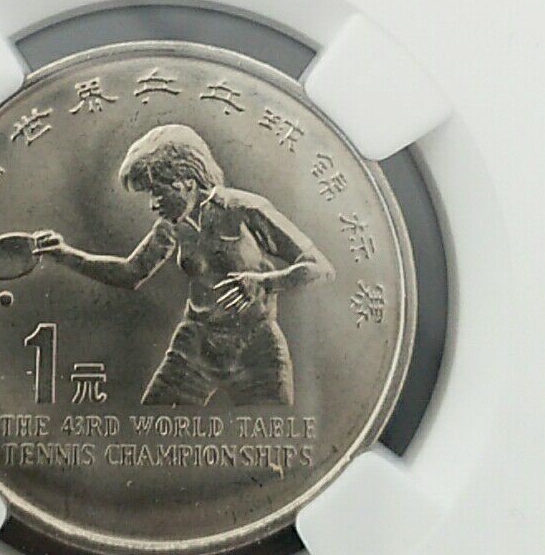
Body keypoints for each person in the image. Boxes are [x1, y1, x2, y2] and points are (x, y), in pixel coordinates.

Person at [32, 123, 332, 407]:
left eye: (156, 191)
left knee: (271, 436)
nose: (152, 204)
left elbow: (320, 268)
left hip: (256, 346)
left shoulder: (244, 209)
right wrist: (64, 254)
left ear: (186, 180)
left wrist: (266, 282)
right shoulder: (173, 226)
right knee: (153, 429)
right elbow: (130, 272)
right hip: (195, 345)